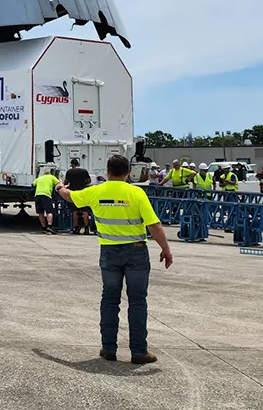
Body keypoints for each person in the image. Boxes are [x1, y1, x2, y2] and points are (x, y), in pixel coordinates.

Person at [54, 155, 174, 364]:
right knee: (137, 301)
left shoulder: (96, 191)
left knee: (110, 299)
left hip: (109, 252)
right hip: (136, 252)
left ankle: (109, 348)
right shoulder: (136, 193)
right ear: (128, 172)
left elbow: (69, 196)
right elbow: (154, 225)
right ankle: (139, 352)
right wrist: (166, 249)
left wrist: (58, 187)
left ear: (108, 170)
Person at [65, 158, 92, 234]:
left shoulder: (69, 172)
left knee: (74, 211)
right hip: (82, 193)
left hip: (73, 194)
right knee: (85, 211)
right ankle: (86, 229)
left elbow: (65, 182)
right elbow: (89, 181)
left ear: (72, 165)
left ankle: (76, 228)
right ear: (78, 164)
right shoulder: (84, 171)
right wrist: (84, 183)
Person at [32, 168, 59, 234]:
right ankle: (49, 227)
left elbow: (33, 184)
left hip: (37, 195)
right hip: (46, 195)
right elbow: (59, 183)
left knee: (40, 213)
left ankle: (43, 227)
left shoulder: (39, 178)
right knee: (49, 212)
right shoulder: (52, 177)